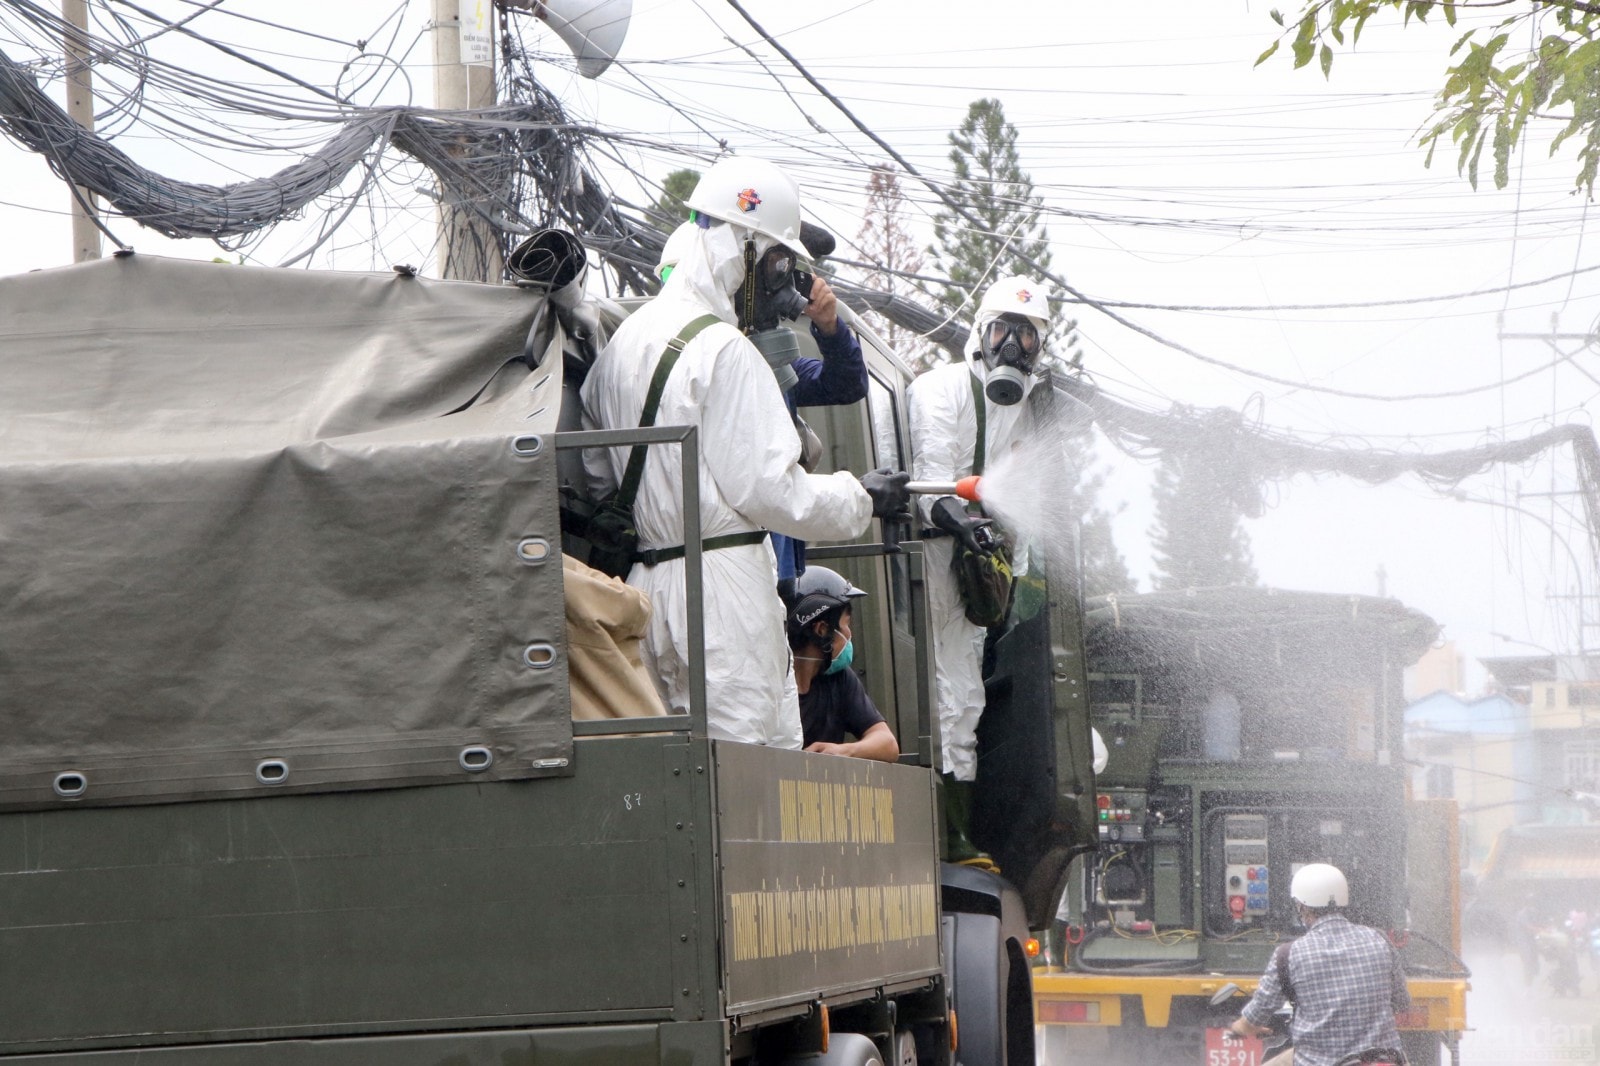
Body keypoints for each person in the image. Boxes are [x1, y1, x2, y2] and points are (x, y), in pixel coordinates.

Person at [580, 156, 909, 747]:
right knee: (748, 775)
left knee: (680, 769)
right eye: (780, 262)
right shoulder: (725, 350)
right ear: (747, 249)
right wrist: (861, 498)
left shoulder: (621, 343)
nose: (783, 282)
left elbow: (598, 477)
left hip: (644, 592)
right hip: (723, 597)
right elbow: (773, 492)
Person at [906, 274, 1052, 868]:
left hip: (973, 560)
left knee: (965, 696)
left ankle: (959, 831)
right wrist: (965, 524)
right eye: (1003, 331)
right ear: (980, 334)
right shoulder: (938, 389)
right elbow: (928, 482)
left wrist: (1006, 563)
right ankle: (945, 833)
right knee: (946, 694)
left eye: (1026, 336)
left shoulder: (1024, 410)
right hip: (934, 554)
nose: (1012, 347)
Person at [657, 219, 871, 598]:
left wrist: (830, 327)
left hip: (778, 555)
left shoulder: (772, 365)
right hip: (728, 563)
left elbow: (845, 384)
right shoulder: (697, 361)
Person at [1229, 863, 1410, 1066]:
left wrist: (1241, 1027)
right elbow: (1401, 1002)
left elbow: (1257, 1015)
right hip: (1382, 1059)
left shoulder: (1288, 955)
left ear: (1302, 907)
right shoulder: (1380, 940)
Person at [784, 566, 899, 763]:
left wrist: (844, 751)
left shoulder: (840, 679)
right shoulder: (775, 684)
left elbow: (888, 744)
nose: (849, 635)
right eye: (846, 625)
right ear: (821, 629)